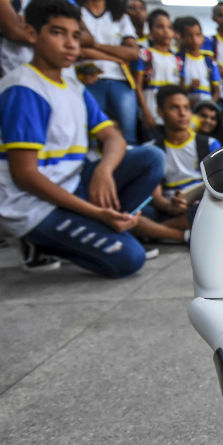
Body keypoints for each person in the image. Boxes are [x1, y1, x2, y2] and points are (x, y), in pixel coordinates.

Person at [0, 0, 164, 276]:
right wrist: (95, 212)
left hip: (72, 185)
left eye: (75, 36)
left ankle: (103, 224)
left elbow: (113, 137)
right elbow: (24, 175)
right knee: (128, 259)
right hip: (34, 205)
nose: (69, 44)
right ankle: (38, 241)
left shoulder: (74, 87)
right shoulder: (24, 89)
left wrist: (104, 169)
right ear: (31, 34)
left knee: (151, 158)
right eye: (57, 33)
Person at [143, 85, 221, 242]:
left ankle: (152, 231)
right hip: (168, 207)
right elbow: (156, 195)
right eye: (174, 108)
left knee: (211, 208)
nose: (183, 114)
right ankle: (185, 235)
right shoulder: (151, 150)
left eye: (186, 108)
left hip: (198, 205)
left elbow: (219, 187)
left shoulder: (209, 144)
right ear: (160, 112)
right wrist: (169, 206)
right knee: (137, 213)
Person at [77, 0, 140, 145]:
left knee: (128, 137)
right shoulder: (78, 12)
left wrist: (94, 45)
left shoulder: (120, 17)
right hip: (87, 79)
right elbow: (81, 51)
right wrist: (117, 57)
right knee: (92, 136)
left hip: (120, 80)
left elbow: (133, 53)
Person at [134, 9, 181, 135]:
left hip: (172, 118)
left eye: (169, 27)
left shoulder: (177, 59)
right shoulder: (145, 55)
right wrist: (146, 112)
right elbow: (137, 86)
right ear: (150, 32)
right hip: (152, 113)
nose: (166, 31)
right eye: (160, 27)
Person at [176, 16, 220, 105]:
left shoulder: (210, 62)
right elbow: (176, 89)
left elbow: (216, 91)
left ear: (203, 37)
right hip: (185, 106)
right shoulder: (179, 59)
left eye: (198, 35)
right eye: (189, 36)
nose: (194, 39)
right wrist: (189, 89)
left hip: (207, 107)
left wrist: (210, 105)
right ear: (182, 38)